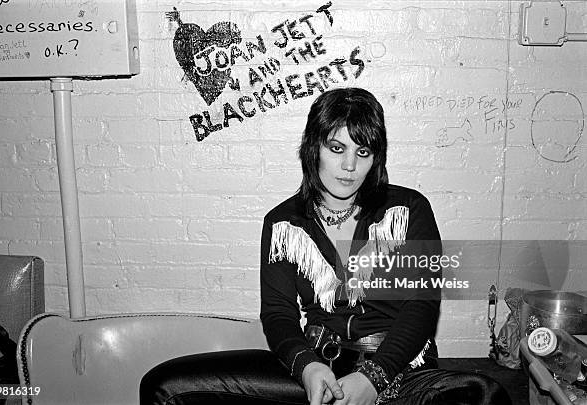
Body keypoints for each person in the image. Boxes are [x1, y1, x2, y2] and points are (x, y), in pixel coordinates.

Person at [140, 87, 511, 405]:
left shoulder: (408, 209)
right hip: (317, 368)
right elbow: (279, 315)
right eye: (337, 147)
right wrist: (306, 366)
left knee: (485, 394)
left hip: (399, 372)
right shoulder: (283, 223)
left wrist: (373, 378)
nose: (349, 165)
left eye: (362, 152)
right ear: (314, 147)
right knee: (166, 388)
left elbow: (421, 308)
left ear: (375, 157)